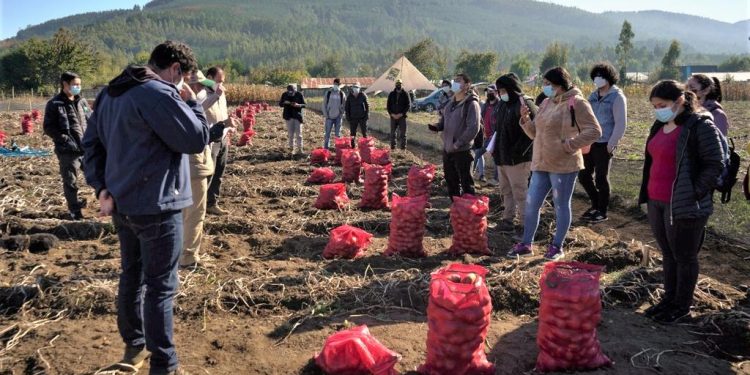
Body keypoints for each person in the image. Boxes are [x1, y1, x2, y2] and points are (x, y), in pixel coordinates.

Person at [82, 40, 209, 375]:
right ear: (177, 70)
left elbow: (91, 143)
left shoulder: (112, 93)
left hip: (123, 204)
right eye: (186, 78)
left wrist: (102, 187)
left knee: (132, 276)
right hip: (158, 205)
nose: (185, 85)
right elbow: (195, 139)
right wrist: (193, 102)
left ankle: (134, 346)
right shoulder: (158, 93)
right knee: (160, 288)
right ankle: (165, 365)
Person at [639, 80, 724, 323]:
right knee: (667, 253)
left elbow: (714, 163)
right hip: (657, 200)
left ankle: (682, 305)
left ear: (680, 101)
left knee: (684, 256)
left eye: (662, 105)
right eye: (654, 106)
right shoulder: (660, 124)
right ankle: (669, 299)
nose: (658, 109)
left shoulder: (699, 125)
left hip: (684, 204)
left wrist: (694, 192)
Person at [507, 67, 602, 260]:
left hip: (564, 165)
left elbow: (594, 131)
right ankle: (527, 243)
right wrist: (525, 120)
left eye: (547, 83)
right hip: (541, 162)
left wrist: (569, 145)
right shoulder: (546, 103)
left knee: (561, 205)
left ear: (559, 84)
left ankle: (557, 246)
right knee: (532, 203)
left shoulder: (577, 102)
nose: (544, 86)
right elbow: (535, 133)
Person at [179, 70, 229, 268]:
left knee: (187, 211)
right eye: (196, 83)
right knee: (193, 212)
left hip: (189, 161)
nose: (199, 87)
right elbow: (200, 133)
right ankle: (188, 257)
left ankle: (182, 252)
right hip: (193, 162)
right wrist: (219, 128)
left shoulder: (177, 99)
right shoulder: (188, 101)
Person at [579, 62, 628, 223]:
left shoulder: (617, 97)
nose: (598, 79)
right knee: (584, 175)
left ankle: (602, 210)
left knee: (601, 177)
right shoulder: (592, 96)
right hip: (590, 141)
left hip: (605, 142)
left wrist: (611, 144)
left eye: (601, 76)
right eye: (595, 77)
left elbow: (620, 123)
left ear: (609, 78)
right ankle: (595, 204)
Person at [492, 73, 537, 235]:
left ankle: (525, 224)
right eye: (499, 91)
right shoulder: (503, 105)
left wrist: (517, 151)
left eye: (503, 90)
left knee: (520, 192)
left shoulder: (525, 104)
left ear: (512, 89)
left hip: (518, 159)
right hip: (502, 157)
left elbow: (534, 132)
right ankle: (508, 220)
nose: (500, 94)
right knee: (506, 191)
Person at [43, 71, 91, 220]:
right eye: (75, 84)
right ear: (65, 84)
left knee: (97, 177)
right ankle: (75, 211)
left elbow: (92, 120)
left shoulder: (82, 102)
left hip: (86, 149)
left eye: (79, 84)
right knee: (71, 182)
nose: (78, 87)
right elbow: (48, 127)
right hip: (68, 151)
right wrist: (64, 139)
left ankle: (107, 204)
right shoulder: (54, 104)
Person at [428, 73, 481, 199]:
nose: (455, 83)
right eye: (455, 80)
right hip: (448, 150)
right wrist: (438, 126)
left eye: (459, 81)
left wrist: (458, 143)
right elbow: (444, 120)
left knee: (466, 183)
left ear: (467, 85)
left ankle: (468, 213)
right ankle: (456, 210)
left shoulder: (471, 104)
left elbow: (473, 128)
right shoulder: (450, 103)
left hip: (462, 150)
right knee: (451, 181)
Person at [204, 66, 231, 216]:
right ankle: (200, 206)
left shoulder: (221, 94)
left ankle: (212, 203)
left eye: (222, 81)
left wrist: (228, 126)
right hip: (210, 138)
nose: (221, 84)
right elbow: (201, 110)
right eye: (218, 81)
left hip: (223, 137)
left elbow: (222, 113)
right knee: (209, 172)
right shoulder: (202, 93)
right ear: (209, 78)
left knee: (219, 172)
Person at [473, 84, 500, 184]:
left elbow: (500, 121)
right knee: (477, 153)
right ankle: (475, 173)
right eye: (487, 92)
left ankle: (496, 179)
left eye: (491, 92)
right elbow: (481, 118)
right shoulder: (486, 105)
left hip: (494, 136)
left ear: (496, 92)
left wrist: (495, 134)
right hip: (485, 136)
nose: (489, 94)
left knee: (496, 157)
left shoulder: (500, 105)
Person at [279, 84, 305, 154]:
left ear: (295, 90)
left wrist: (298, 105)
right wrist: (284, 103)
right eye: (289, 92)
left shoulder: (299, 94)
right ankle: (291, 149)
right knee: (290, 134)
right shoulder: (284, 94)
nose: (290, 93)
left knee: (299, 134)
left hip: (297, 116)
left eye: (292, 92)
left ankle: (300, 149)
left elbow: (304, 104)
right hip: (288, 116)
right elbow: (280, 104)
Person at [387, 78, 411, 150]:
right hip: (393, 117)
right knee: (392, 134)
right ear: (395, 85)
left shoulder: (405, 94)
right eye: (397, 84)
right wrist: (392, 114)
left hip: (402, 117)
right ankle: (393, 148)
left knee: (403, 134)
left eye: (399, 84)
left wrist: (402, 114)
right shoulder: (391, 94)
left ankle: (403, 149)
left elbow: (408, 105)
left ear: (401, 85)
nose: (398, 85)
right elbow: (388, 106)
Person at [322, 78, 346, 149]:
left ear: (339, 85)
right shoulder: (328, 93)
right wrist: (326, 114)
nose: (335, 85)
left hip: (338, 117)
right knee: (327, 134)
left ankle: (337, 149)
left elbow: (344, 105)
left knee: (337, 135)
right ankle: (326, 148)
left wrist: (341, 115)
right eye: (334, 84)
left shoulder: (342, 94)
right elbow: (324, 104)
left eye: (337, 84)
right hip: (329, 117)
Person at [345, 82, 369, 148]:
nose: (356, 89)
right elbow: (347, 108)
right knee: (352, 134)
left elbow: (367, 106)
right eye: (354, 87)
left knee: (364, 133)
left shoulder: (363, 95)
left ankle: (366, 146)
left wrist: (366, 116)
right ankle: (353, 146)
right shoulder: (349, 96)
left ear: (359, 88)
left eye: (357, 87)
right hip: (353, 118)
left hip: (362, 117)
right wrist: (348, 117)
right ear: (352, 88)